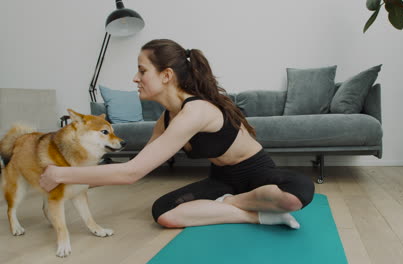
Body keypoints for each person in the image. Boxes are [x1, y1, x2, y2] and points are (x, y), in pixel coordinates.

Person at [40, 39, 315, 229]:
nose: (135, 78)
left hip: (258, 173)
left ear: (166, 75)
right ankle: (258, 216)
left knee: (295, 194)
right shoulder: (166, 119)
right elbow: (138, 168)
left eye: (142, 70)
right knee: (164, 214)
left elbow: (129, 173)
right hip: (222, 181)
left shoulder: (196, 112)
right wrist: (72, 180)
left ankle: (232, 203)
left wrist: (60, 174)